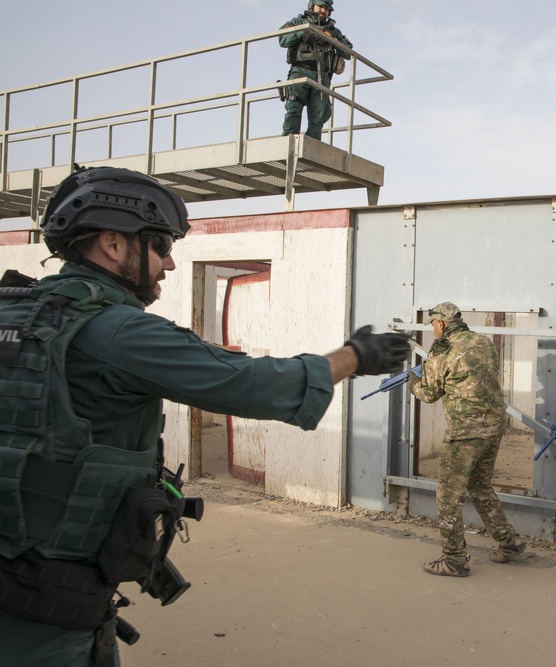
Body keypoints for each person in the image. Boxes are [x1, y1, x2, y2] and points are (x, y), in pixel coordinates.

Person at [0, 166, 409, 666]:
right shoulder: (117, 332)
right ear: (112, 243)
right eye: (161, 245)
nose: (170, 264)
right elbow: (252, 385)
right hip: (47, 600)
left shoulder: (17, 312)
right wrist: (355, 356)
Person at [408, 302, 525, 577]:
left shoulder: (443, 351)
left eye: (434, 325)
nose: (434, 330)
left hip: (465, 433)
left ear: (441, 323)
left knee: (448, 497)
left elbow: (429, 394)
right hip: (493, 426)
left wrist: (413, 382)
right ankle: (508, 542)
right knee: (480, 486)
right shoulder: (483, 342)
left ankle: (454, 560)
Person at [279, 0, 353, 140]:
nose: (323, 11)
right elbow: (282, 38)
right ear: (312, 6)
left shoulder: (333, 31)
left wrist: (331, 39)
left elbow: (348, 52)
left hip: (322, 76)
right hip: (300, 71)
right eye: (321, 7)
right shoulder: (298, 22)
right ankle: (287, 144)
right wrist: (303, 33)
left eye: (326, 9)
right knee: (293, 109)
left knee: (318, 117)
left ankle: (310, 148)